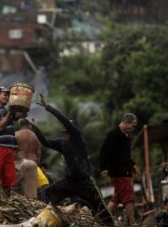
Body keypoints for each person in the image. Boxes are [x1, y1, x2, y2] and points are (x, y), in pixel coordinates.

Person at [30, 94, 113, 224]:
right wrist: (35, 128)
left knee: (100, 207)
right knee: (47, 193)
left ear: (72, 128)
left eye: (68, 124)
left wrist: (48, 107)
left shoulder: (77, 137)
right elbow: (45, 142)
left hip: (85, 181)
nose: (64, 125)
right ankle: (44, 220)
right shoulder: (62, 143)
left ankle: (110, 224)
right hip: (70, 181)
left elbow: (63, 119)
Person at [100, 113, 139, 225]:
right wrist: (104, 167)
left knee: (116, 199)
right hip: (119, 172)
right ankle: (132, 222)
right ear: (125, 123)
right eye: (132, 125)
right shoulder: (113, 134)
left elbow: (125, 155)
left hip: (125, 171)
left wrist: (133, 164)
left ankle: (101, 219)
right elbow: (104, 151)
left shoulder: (125, 136)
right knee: (128, 196)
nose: (133, 128)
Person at [15, 118, 41, 198]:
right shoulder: (35, 136)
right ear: (29, 125)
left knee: (7, 188)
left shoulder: (16, 134)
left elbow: (13, 151)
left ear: (20, 124)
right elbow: (39, 153)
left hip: (20, 162)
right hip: (33, 163)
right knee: (31, 196)